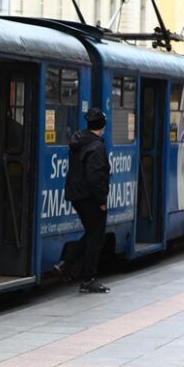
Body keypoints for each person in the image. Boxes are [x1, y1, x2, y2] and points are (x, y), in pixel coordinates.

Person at [54, 107, 111, 293]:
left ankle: (66, 264)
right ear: (102, 126)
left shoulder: (81, 141)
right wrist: (101, 199)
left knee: (92, 233)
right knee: (97, 235)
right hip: (90, 197)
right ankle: (88, 279)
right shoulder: (97, 147)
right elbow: (95, 177)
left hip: (77, 195)